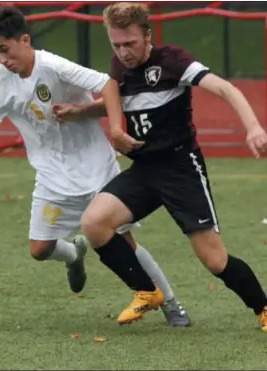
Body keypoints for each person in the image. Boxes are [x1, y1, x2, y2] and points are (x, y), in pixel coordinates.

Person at [0, 5, 191, 327]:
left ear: (25, 40)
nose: (3, 60)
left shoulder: (52, 65)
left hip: (96, 170)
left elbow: (108, 84)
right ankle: (74, 254)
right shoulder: (0, 79)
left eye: (6, 50)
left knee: (124, 241)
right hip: (53, 177)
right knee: (39, 249)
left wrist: (116, 130)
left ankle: (172, 306)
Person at [53, 2, 267, 332]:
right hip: (144, 171)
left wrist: (253, 127)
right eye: (116, 45)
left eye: (130, 44)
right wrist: (78, 111)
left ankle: (263, 307)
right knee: (95, 223)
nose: (123, 52)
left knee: (214, 260)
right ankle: (147, 292)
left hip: (181, 169)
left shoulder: (172, 60)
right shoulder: (119, 66)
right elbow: (118, 102)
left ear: (147, 36)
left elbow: (226, 88)